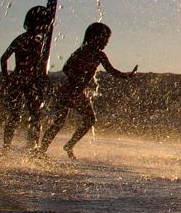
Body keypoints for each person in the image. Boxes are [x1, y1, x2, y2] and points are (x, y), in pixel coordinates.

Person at [37, 22, 137, 159]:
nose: (106, 42)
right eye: (104, 38)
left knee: (90, 119)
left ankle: (69, 145)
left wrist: (127, 75)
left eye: (107, 39)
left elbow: (111, 71)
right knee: (59, 121)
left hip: (77, 93)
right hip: (67, 90)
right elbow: (66, 68)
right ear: (93, 37)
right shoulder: (81, 51)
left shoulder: (100, 55)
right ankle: (42, 150)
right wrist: (76, 78)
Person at [0, 5, 51, 150]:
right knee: (35, 115)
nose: (48, 27)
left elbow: (3, 58)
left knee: (14, 116)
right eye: (47, 24)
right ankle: (34, 147)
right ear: (41, 24)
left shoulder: (21, 38)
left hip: (17, 79)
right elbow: (38, 64)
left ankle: (6, 148)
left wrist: (7, 78)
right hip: (29, 82)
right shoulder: (37, 41)